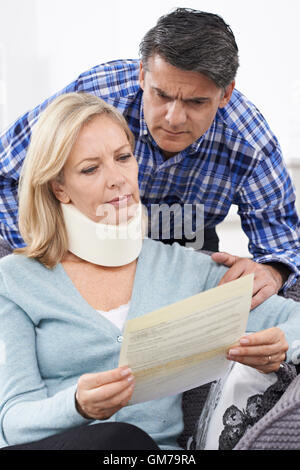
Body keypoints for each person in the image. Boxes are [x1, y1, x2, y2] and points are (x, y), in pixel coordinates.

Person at [0, 92, 299, 451]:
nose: (117, 179)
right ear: (59, 188)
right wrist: (77, 405)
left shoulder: (188, 268)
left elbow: (294, 320)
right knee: (118, 437)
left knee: (128, 442)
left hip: (153, 455)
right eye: (90, 168)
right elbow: (14, 422)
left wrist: (282, 343)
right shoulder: (15, 279)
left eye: (123, 158)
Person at [0, 8, 299, 311]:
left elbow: (281, 243)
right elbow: (4, 171)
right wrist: (39, 253)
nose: (174, 118)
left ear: (225, 94)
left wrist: (273, 271)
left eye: (196, 102)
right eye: (162, 95)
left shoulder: (250, 142)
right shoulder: (97, 96)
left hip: (184, 241)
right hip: (80, 238)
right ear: (143, 75)